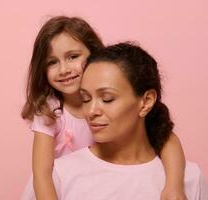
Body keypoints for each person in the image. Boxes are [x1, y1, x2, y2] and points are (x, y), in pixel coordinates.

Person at [21, 16, 186, 200]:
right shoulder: (50, 110)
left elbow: (166, 138)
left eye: (73, 57)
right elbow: (42, 173)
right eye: (52, 62)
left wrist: (174, 185)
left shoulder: (184, 178)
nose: (64, 69)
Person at [51, 42, 208, 199]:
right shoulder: (58, 176)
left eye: (107, 99)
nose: (91, 112)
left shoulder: (189, 181)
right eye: (85, 99)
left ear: (146, 102)